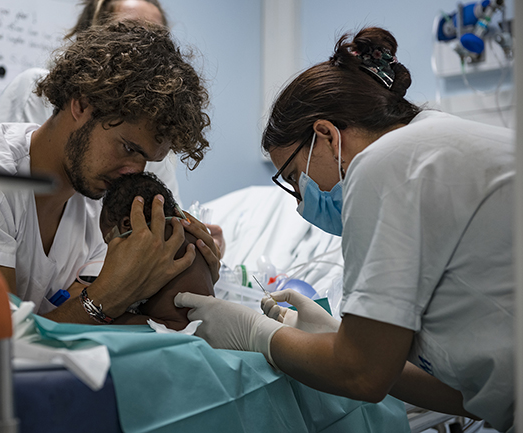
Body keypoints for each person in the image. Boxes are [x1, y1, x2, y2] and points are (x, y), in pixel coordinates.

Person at [175, 27, 514, 432]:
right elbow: (472, 396)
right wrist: (334, 338)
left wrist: (254, 332)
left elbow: (362, 377)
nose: (300, 203)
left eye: (294, 176)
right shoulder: (432, 141)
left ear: (326, 135)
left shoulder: (385, 164)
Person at [0, 22, 221, 326]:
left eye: (147, 159)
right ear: (82, 104)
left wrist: (185, 269)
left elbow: (76, 317)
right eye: (128, 148)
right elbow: (0, 343)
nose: (134, 171)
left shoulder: (96, 201)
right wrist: (108, 295)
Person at [0, 0, 181, 203]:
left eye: (155, 38)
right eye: (128, 32)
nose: (143, 47)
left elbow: (167, 208)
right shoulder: (35, 91)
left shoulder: (153, 133)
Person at [99, 172, 214, 330]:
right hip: (208, 326)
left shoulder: (145, 246)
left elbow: (114, 295)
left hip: (171, 327)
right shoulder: (187, 233)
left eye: (109, 241)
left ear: (127, 224)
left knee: (103, 318)